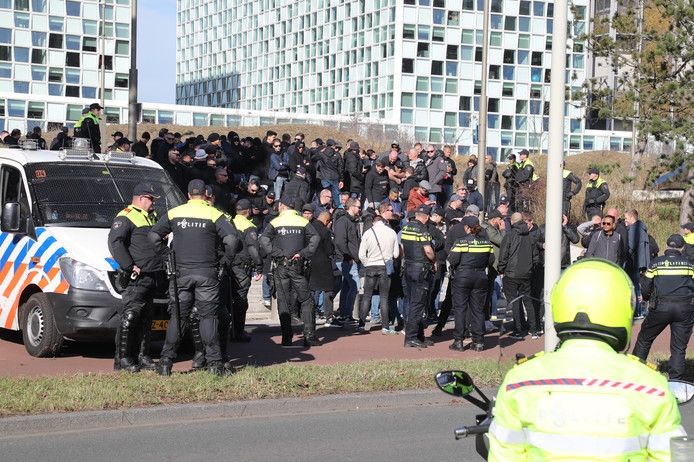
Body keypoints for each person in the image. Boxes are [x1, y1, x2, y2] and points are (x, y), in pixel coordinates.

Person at [489, 258, 686, 461]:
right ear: (624, 308)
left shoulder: (519, 382)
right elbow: (675, 457)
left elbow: (503, 455)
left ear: (558, 304)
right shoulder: (651, 387)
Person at [149, 179, 239, 376]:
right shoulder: (214, 214)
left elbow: (154, 237)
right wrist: (225, 261)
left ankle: (165, 363)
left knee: (178, 317)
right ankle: (215, 365)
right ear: (206, 194)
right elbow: (232, 240)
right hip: (207, 272)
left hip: (181, 272)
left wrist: (167, 256)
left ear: (188, 195)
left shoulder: (175, 213)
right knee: (208, 317)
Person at [107, 183, 164, 372]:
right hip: (135, 277)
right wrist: (129, 265)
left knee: (146, 318)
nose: (153, 204)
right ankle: (122, 359)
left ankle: (143, 355)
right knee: (130, 316)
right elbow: (115, 242)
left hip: (152, 274)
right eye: (150, 200)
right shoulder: (126, 216)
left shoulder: (151, 216)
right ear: (141, 199)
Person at [259, 196, 321, 347]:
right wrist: (304, 253)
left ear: (281, 206)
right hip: (298, 265)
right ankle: (309, 336)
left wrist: (276, 253)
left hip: (281, 266)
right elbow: (315, 237)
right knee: (306, 300)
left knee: (283, 301)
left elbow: (263, 240)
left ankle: (286, 337)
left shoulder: (275, 222)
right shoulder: (302, 221)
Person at [632, 234, 694, 381]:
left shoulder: (656, 263)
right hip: (685, 308)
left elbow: (645, 286)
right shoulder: (690, 264)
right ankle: (676, 380)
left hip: (660, 307)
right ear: (682, 248)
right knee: (679, 347)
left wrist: (647, 298)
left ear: (666, 247)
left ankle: (635, 372)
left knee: (645, 338)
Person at [447, 216, 494, 352]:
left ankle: (459, 341)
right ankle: (478, 342)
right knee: (478, 310)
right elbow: (491, 261)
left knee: (460, 309)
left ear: (467, 228)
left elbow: (454, 260)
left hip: (462, 276)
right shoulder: (486, 242)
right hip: (480, 276)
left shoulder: (461, 241)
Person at [358, 205, 400, 334]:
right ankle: (385, 326)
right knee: (384, 297)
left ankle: (361, 324)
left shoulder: (368, 232)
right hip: (384, 266)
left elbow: (361, 255)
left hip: (371, 266)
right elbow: (396, 254)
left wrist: (367, 263)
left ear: (373, 222)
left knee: (367, 296)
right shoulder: (391, 232)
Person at [400, 204, 438, 348]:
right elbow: (428, 250)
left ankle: (419, 336)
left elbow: (402, 249)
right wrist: (434, 262)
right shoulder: (423, 229)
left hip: (408, 268)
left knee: (413, 302)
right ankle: (411, 338)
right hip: (420, 269)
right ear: (427, 217)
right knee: (418, 304)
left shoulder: (406, 228)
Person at [498, 212, 539, 339]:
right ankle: (534, 329)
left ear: (512, 222)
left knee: (514, 302)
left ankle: (517, 330)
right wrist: (531, 269)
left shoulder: (510, 236)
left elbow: (503, 255)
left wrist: (501, 270)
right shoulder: (530, 237)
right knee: (528, 300)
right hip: (526, 273)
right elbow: (535, 256)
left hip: (511, 273)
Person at [230, 199, 264, 342]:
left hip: (229, 265)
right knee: (240, 300)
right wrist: (259, 266)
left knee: (227, 299)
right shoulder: (249, 226)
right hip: (242, 268)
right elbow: (253, 249)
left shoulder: (229, 223)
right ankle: (238, 332)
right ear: (248, 211)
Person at [624, 209, 651, 318]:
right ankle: (639, 310)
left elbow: (630, 247)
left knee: (633, 287)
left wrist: (623, 257)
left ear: (632, 218)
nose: (625, 220)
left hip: (633, 263)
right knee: (637, 286)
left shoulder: (634, 230)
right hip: (640, 263)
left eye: (626, 218)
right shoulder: (642, 229)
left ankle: (636, 311)